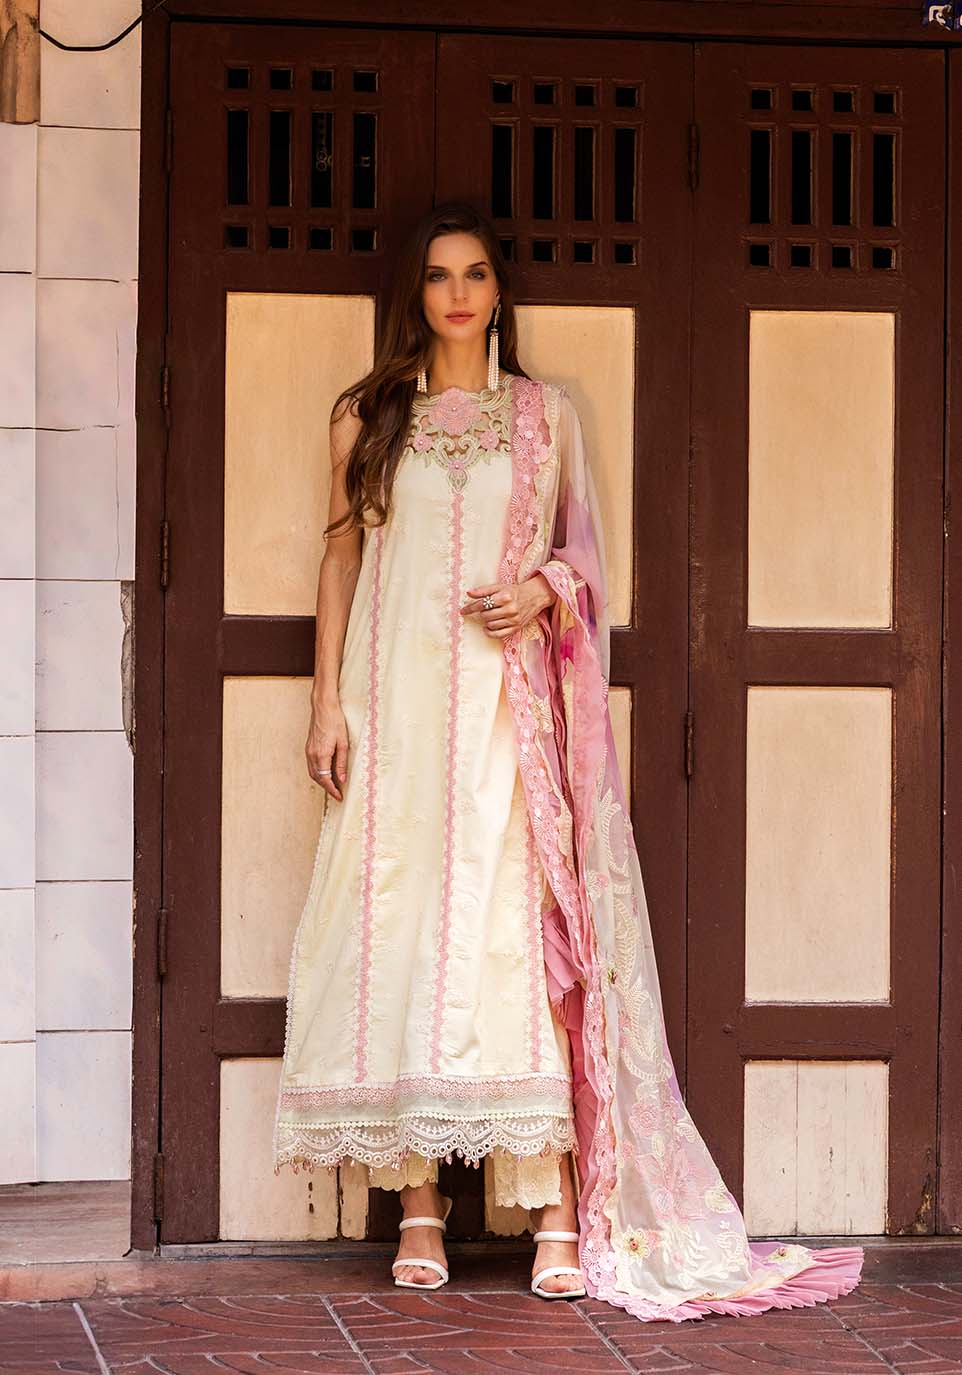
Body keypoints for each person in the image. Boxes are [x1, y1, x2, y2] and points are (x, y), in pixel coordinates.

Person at [274, 201, 866, 1321]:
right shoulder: (367, 416)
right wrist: (325, 704)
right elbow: (340, 560)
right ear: (416, 293)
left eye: (476, 273)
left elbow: (582, 557)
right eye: (440, 275)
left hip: (508, 717)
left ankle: (551, 1204)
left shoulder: (542, 418)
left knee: (516, 932)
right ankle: (416, 1206)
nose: (458, 293)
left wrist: (541, 591)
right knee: (400, 927)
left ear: (499, 290)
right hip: (395, 712)